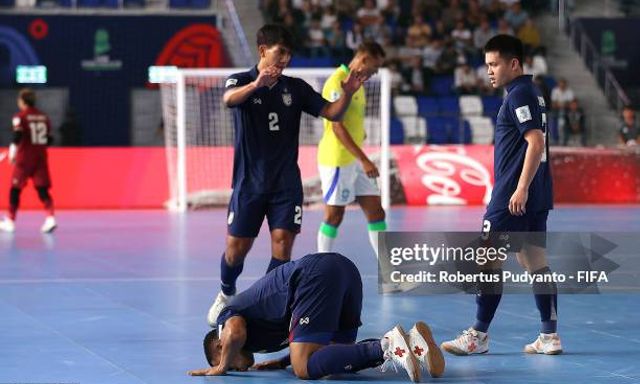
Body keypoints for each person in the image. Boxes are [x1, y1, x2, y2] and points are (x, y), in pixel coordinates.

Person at [206, 24, 364, 327]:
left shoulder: (296, 88)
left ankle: (263, 306)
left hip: (286, 185)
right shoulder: (239, 80)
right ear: (263, 50)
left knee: (282, 244)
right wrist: (256, 85)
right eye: (280, 53)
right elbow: (228, 100)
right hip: (249, 183)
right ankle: (226, 293)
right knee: (236, 249)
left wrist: (346, 94)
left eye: (289, 54)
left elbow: (332, 113)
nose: (285, 59)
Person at [441, 35, 562, 356]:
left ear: (514, 64)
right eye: (487, 65)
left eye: (494, 64)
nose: (489, 71)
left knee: (486, 259)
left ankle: (478, 336)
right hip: (539, 194)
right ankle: (549, 336)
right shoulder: (532, 94)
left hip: (513, 195)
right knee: (534, 260)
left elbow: (535, 142)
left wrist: (520, 188)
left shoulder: (519, 95)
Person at [190, 252, 445, 381]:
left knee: (304, 368)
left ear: (220, 344)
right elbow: (307, 336)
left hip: (314, 277)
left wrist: (220, 368)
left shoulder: (227, 320)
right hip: (344, 271)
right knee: (333, 359)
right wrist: (283, 361)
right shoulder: (260, 340)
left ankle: (388, 346)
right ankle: (412, 343)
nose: (236, 367)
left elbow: (235, 332)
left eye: (225, 359)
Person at [316, 42, 388, 257]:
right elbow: (337, 127)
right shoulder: (337, 82)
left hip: (354, 159)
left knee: (376, 211)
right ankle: (320, 262)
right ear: (363, 59)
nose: (374, 73)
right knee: (334, 215)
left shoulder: (360, 84)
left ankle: (386, 265)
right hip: (337, 159)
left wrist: (361, 136)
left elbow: (351, 120)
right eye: (374, 68)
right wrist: (365, 160)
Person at [0, 88, 56, 234]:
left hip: (24, 159)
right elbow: (49, 139)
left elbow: (17, 135)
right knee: (42, 189)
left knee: (15, 190)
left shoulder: (20, 117)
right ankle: (51, 218)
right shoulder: (44, 117)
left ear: (23, 101)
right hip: (40, 158)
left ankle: (10, 221)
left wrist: (12, 153)